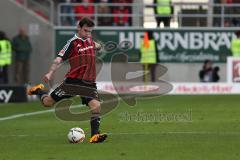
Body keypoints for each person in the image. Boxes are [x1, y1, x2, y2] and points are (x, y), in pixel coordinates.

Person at [27, 17, 107, 143]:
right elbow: (58, 59)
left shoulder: (90, 41)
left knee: (96, 106)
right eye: (86, 31)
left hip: (89, 82)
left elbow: (97, 46)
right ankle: (38, 91)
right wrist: (50, 72)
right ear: (79, 28)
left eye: (90, 31)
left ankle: (94, 136)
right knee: (48, 102)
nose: (88, 34)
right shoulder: (72, 43)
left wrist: (100, 47)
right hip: (73, 82)